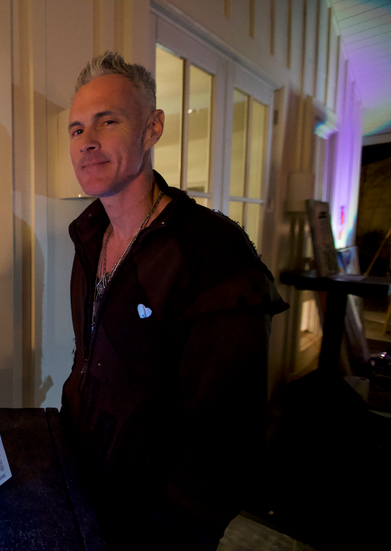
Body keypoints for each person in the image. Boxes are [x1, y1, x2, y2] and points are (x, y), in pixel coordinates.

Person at [60, 52, 288, 549]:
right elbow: (90, 361)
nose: (87, 141)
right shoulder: (89, 235)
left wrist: (183, 524)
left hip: (161, 518)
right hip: (89, 485)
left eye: (108, 121)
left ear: (152, 128)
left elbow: (225, 428)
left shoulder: (212, 252)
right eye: (77, 129)